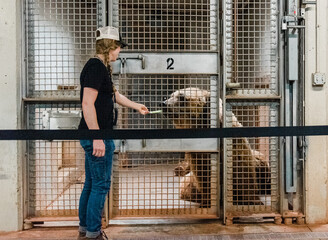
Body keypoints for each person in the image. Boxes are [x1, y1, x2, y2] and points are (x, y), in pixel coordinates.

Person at [77, 26, 149, 240]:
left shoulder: (102, 68)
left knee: (92, 182)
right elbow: (87, 103)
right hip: (97, 136)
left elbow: (114, 95)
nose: (119, 52)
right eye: (118, 47)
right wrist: (97, 137)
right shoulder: (95, 68)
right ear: (110, 47)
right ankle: (93, 233)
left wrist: (137, 106)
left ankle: (85, 228)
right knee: (101, 184)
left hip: (95, 135)